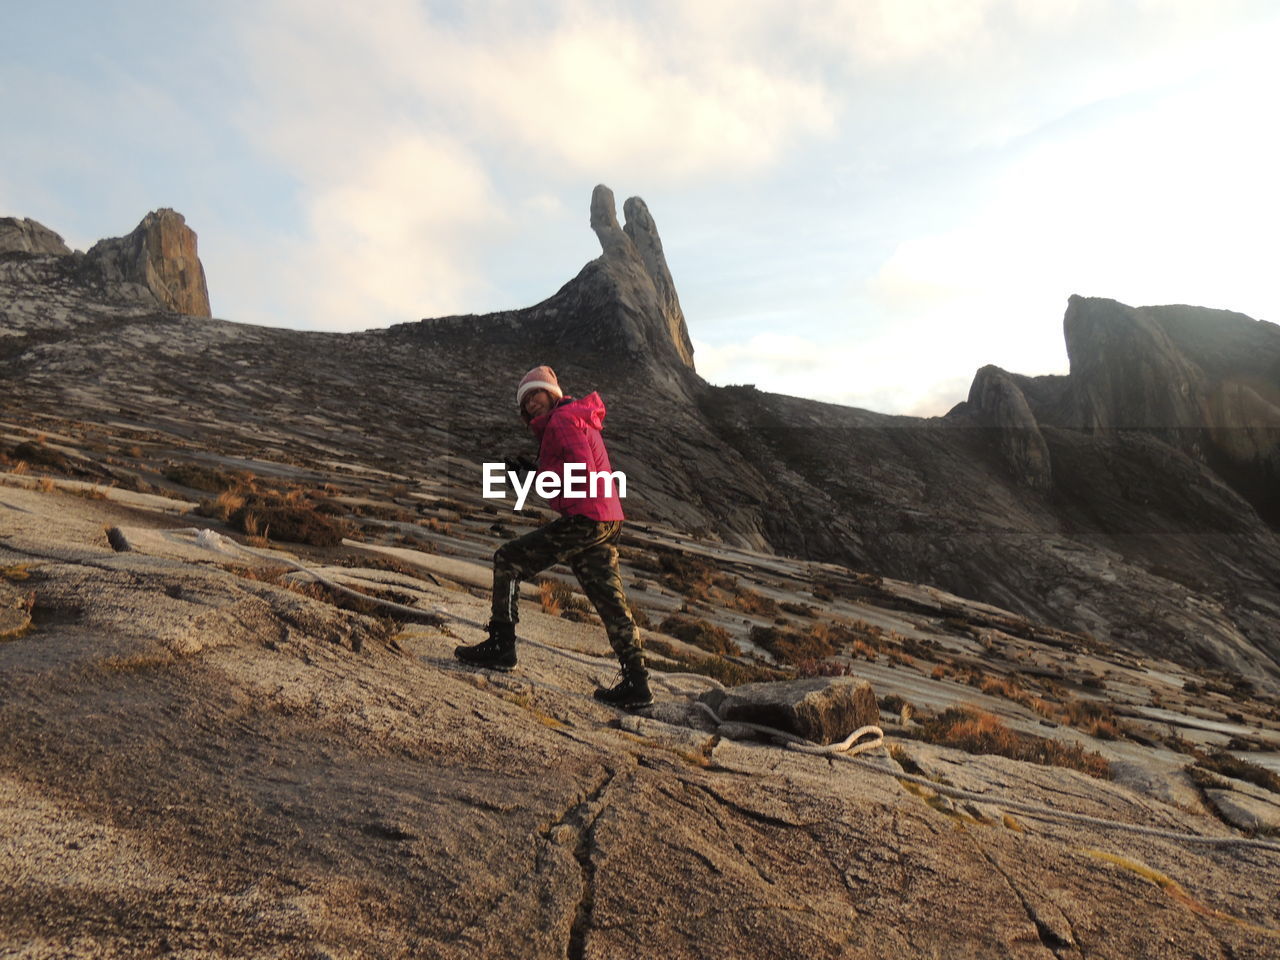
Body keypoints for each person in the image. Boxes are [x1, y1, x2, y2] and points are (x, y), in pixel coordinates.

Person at [454, 365, 652, 709]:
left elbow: (579, 474)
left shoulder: (562, 421)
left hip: (586, 518)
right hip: (604, 517)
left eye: (537, 394)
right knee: (609, 600)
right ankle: (638, 683)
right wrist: (535, 472)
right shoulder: (574, 418)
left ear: (553, 393)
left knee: (508, 560)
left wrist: (533, 475)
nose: (532, 403)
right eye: (526, 400)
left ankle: (502, 646)